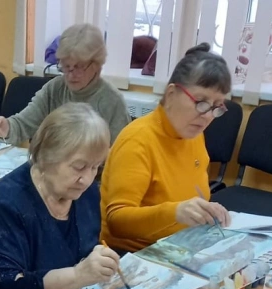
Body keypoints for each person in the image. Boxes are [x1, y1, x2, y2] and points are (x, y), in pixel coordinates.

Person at [0, 103, 119, 289]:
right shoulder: (8, 202)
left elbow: (87, 248)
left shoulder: (85, 192)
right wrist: (77, 275)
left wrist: (97, 263)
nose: (87, 179)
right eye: (79, 167)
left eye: (95, 167)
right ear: (45, 158)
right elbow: (5, 285)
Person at [99, 43, 232, 252]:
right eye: (201, 102)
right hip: (135, 254)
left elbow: (191, 193)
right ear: (171, 94)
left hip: (182, 245)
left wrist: (207, 210)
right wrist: (175, 213)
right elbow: (117, 220)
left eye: (217, 106)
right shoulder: (138, 140)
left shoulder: (193, 134)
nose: (207, 115)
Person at [0, 24, 130, 146]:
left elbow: (119, 154)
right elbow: (23, 124)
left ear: (97, 64)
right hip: (51, 166)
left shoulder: (113, 101)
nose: (71, 75)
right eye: (66, 66)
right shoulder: (55, 88)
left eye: (79, 67)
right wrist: (5, 127)